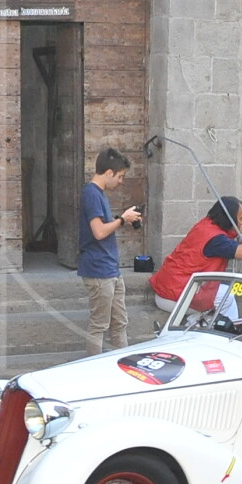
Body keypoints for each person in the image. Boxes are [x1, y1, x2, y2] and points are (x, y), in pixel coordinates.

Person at [79, 147, 141, 353]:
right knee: (99, 325)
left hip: (110, 268)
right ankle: (93, 366)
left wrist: (122, 220)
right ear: (108, 173)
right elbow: (98, 232)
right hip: (98, 270)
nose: (121, 181)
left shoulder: (99, 194)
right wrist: (122, 219)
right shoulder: (91, 194)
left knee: (120, 323)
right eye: (120, 176)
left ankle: (120, 363)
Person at [152, 196, 242, 313]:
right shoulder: (216, 239)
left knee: (228, 293)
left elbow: (224, 239)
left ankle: (219, 322)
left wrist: (236, 232)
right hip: (175, 295)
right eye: (241, 219)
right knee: (226, 298)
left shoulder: (206, 224)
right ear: (229, 219)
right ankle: (199, 321)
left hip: (171, 287)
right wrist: (241, 235)